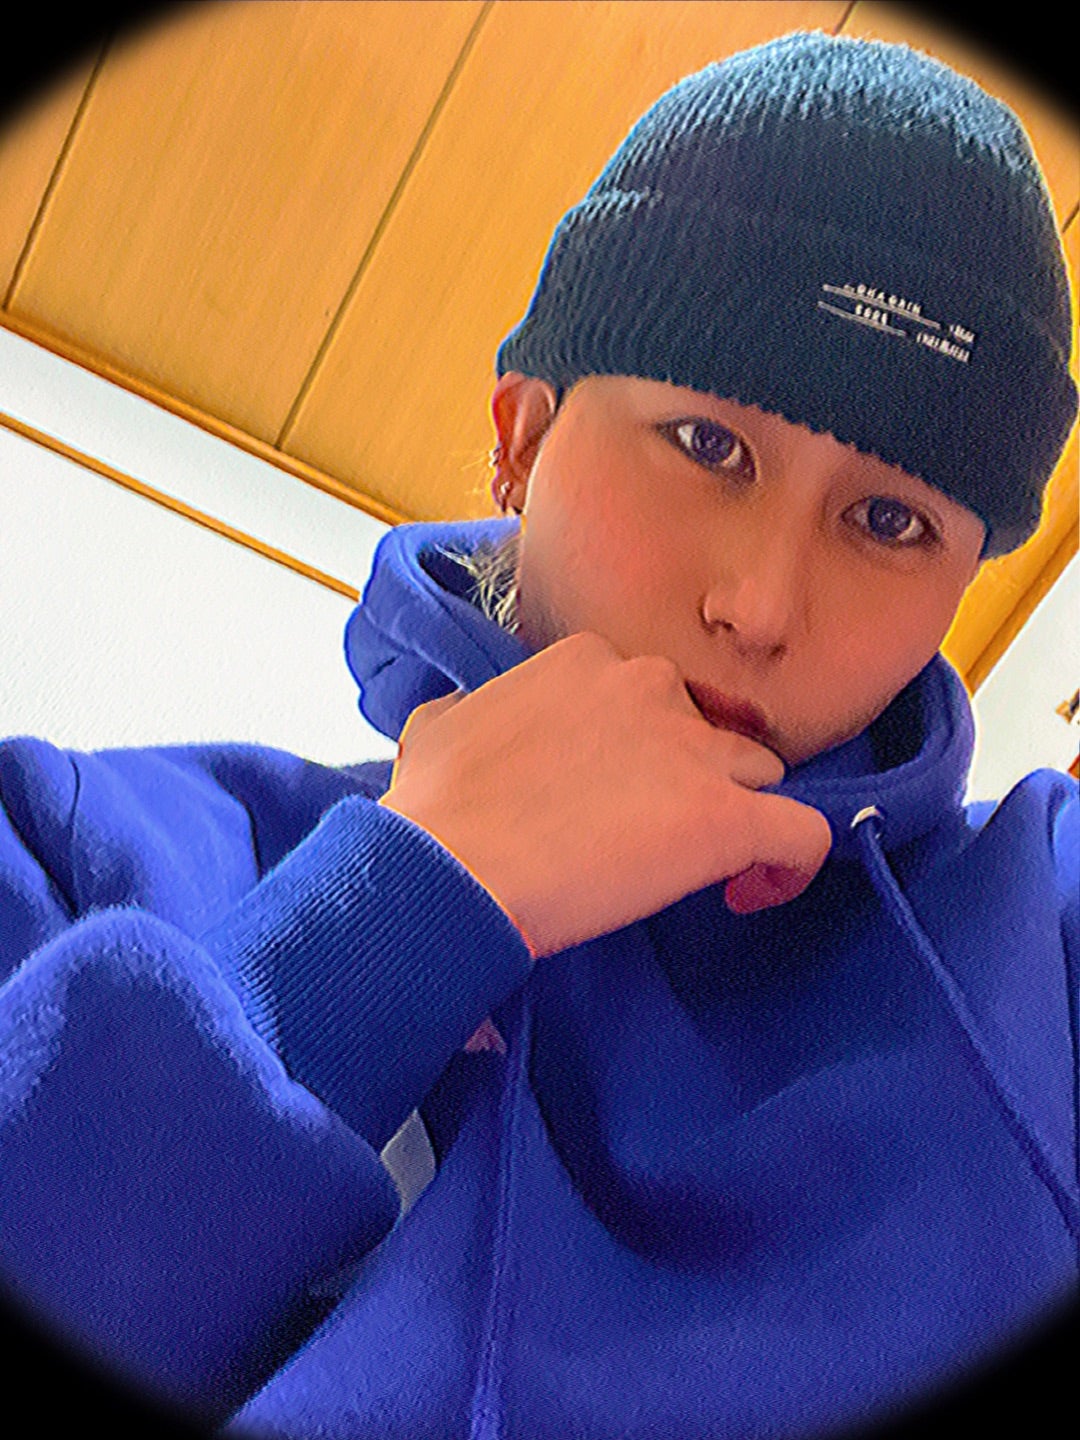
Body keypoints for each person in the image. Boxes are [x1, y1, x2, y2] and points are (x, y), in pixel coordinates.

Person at [0, 29, 1076, 1440]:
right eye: (709, 445)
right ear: (521, 438)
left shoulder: (1044, 930)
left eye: (891, 521)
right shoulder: (82, 853)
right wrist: (390, 918)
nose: (760, 606)